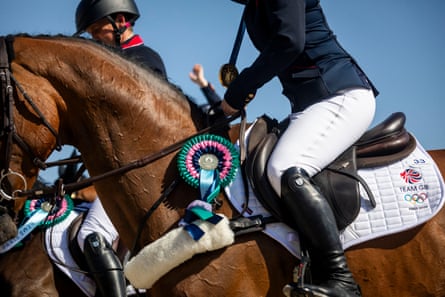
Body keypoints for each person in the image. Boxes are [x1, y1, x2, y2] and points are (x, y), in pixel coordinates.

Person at [221, 1, 378, 296]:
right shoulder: (254, 7)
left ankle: (341, 279)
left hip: (338, 94)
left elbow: (290, 41)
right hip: (307, 105)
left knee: (283, 168)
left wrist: (240, 88)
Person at [72, 1, 167, 296]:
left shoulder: (143, 59)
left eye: (96, 31)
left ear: (120, 22)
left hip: (143, 171)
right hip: (120, 171)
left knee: (92, 234)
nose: (92, 39)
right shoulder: (112, 61)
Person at [74, 0, 167, 79]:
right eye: (90, 33)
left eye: (96, 29)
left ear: (120, 21)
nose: (94, 38)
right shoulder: (105, 59)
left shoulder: (146, 58)